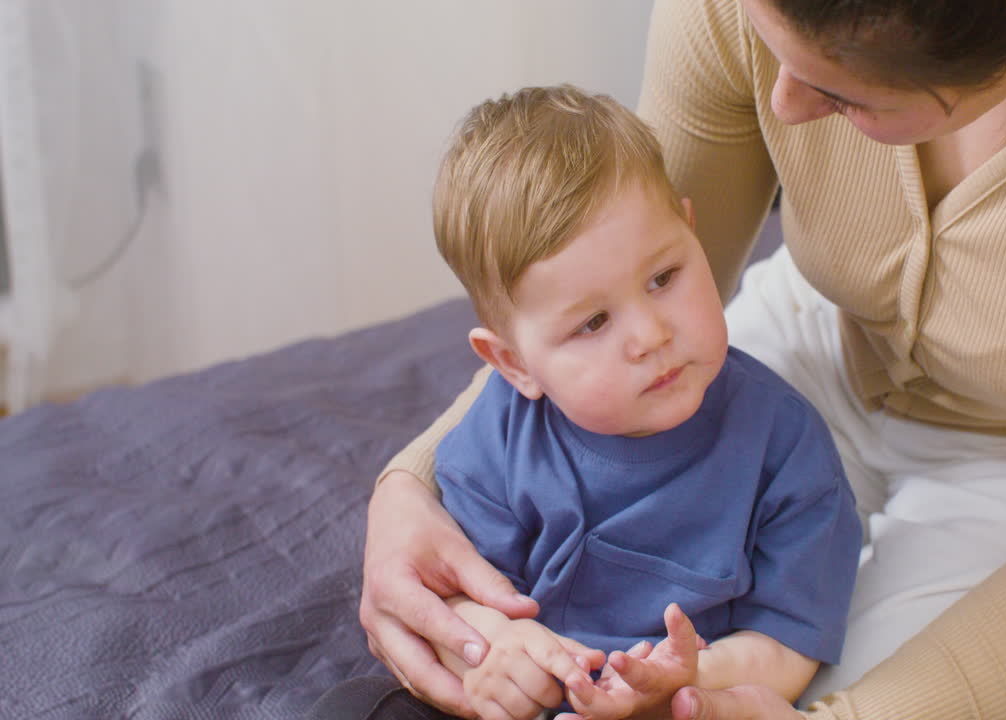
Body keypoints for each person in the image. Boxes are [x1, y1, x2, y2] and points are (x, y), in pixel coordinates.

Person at [357, 0, 1006, 718]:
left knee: (853, 683)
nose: (784, 107)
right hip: (828, 336)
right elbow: (601, 292)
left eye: (842, 96)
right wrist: (410, 485)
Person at [320, 85, 860, 720]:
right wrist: (495, 650)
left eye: (664, 278)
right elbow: (457, 595)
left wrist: (685, 680)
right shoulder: (501, 435)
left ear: (692, 232)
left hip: (681, 707)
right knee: (355, 706)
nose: (650, 335)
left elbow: (791, 640)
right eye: (594, 323)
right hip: (528, 701)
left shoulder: (785, 446)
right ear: (515, 365)